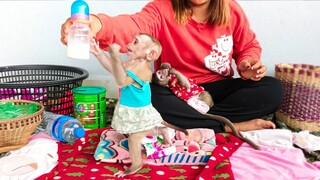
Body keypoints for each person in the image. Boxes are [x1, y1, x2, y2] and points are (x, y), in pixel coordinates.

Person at [61, 0, 284, 134]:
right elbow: (132, 26)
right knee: (149, 96)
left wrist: (247, 63)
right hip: (174, 91)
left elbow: (247, 46)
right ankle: (226, 126)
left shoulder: (231, 9)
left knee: (272, 88)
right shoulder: (161, 9)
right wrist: (96, 24)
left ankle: (196, 121)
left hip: (216, 90)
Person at [90, 33, 173, 177]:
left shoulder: (142, 69)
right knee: (131, 131)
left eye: (135, 42)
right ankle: (161, 130)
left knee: (134, 138)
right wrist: (99, 53)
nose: (129, 44)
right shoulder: (132, 63)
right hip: (131, 109)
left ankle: (136, 164)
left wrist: (115, 56)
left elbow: (121, 81)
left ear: (150, 54)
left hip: (140, 111)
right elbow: (114, 70)